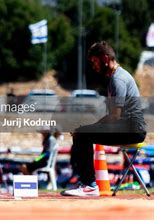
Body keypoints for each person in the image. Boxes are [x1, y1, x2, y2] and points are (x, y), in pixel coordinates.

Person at [61, 41, 146, 197]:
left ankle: (89, 185)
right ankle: (88, 184)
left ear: (105, 58)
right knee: (83, 132)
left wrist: (87, 128)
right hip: (130, 128)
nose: (94, 66)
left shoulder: (118, 79)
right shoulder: (118, 76)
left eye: (95, 62)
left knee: (82, 134)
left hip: (132, 130)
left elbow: (114, 116)